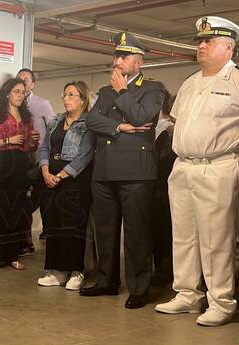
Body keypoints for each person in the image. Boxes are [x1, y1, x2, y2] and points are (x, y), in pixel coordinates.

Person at [155, 16, 239, 327]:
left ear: (228, 46)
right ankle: (187, 294)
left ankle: (221, 300)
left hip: (220, 165)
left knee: (217, 239)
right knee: (183, 236)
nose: (201, 45)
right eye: (199, 41)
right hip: (183, 166)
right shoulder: (190, 82)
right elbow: (178, 122)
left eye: (209, 41)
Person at [81, 32, 165, 310]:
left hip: (136, 172)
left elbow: (142, 117)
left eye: (123, 57)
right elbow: (92, 120)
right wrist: (119, 126)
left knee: (136, 232)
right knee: (105, 230)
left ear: (138, 62)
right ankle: (106, 281)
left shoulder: (153, 88)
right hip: (104, 170)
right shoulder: (104, 91)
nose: (116, 60)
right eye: (116, 55)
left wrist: (121, 92)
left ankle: (139, 287)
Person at [37, 81, 95, 290]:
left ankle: (76, 271)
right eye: (64, 95)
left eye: (71, 95)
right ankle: (56, 270)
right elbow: (44, 148)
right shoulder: (55, 121)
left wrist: (60, 175)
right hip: (50, 177)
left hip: (75, 179)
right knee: (53, 223)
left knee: (73, 224)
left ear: (83, 99)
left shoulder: (89, 124)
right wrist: (45, 171)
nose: (66, 99)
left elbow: (85, 155)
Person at [0, 78, 39, 272]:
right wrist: (8, 139)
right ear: (7, 93)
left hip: (20, 165)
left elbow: (29, 147)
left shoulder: (27, 117)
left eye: (23, 92)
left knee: (16, 211)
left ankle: (12, 256)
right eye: (17, 91)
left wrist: (34, 140)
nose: (21, 95)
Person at [16, 68, 56, 254]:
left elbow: (54, 129)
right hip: (17, 159)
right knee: (20, 200)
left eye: (26, 79)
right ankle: (25, 242)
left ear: (32, 83)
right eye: (19, 79)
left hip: (38, 159)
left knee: (40, 198)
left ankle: (48, 231)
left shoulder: (42, 104)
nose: (22, 83)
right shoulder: (13, 104)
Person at [151, 90, 175, 284]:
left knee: (165, 230)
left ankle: (166, 270)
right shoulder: (154, 128)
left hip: (165, 188)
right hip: (156, 188)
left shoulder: (168, 130)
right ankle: (161, 266)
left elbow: (165, 161)